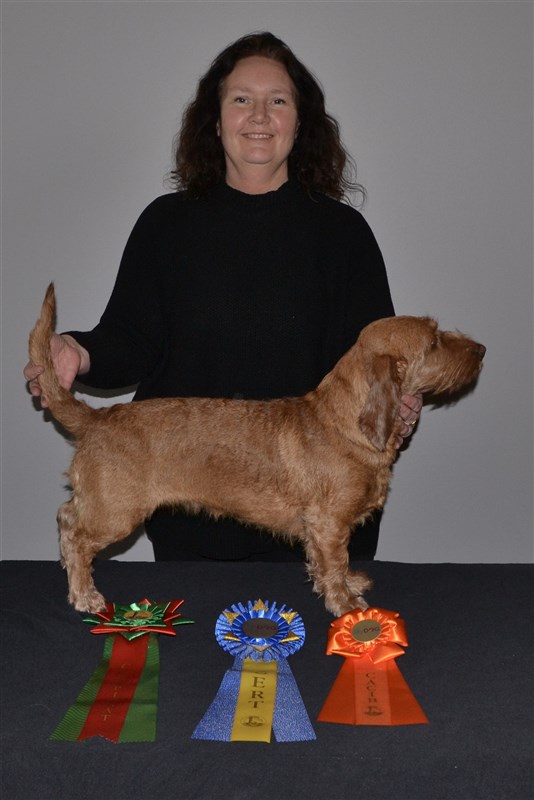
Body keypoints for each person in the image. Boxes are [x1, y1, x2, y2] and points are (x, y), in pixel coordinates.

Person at [25, 32, 422, 563]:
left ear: (300, 123)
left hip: (316, 523)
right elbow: (131, 339)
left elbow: (380, 361)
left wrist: (399, 400)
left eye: (277, 101)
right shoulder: (165, 225)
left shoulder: (345, 235)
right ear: (215, 122)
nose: (259, 116)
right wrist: (77, 350)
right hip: (194, 522)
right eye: (241, 99)